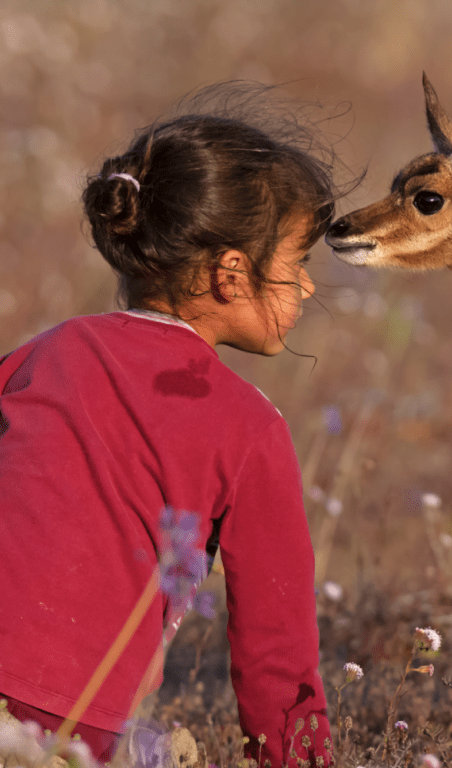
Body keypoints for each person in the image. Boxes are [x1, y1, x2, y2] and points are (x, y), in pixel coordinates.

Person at [0, 83, 347, 767]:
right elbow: (276, 652)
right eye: (298, 264)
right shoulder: (250, 427)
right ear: (230, 275)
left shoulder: (40, 354)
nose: (308, 287)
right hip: (65, 726)